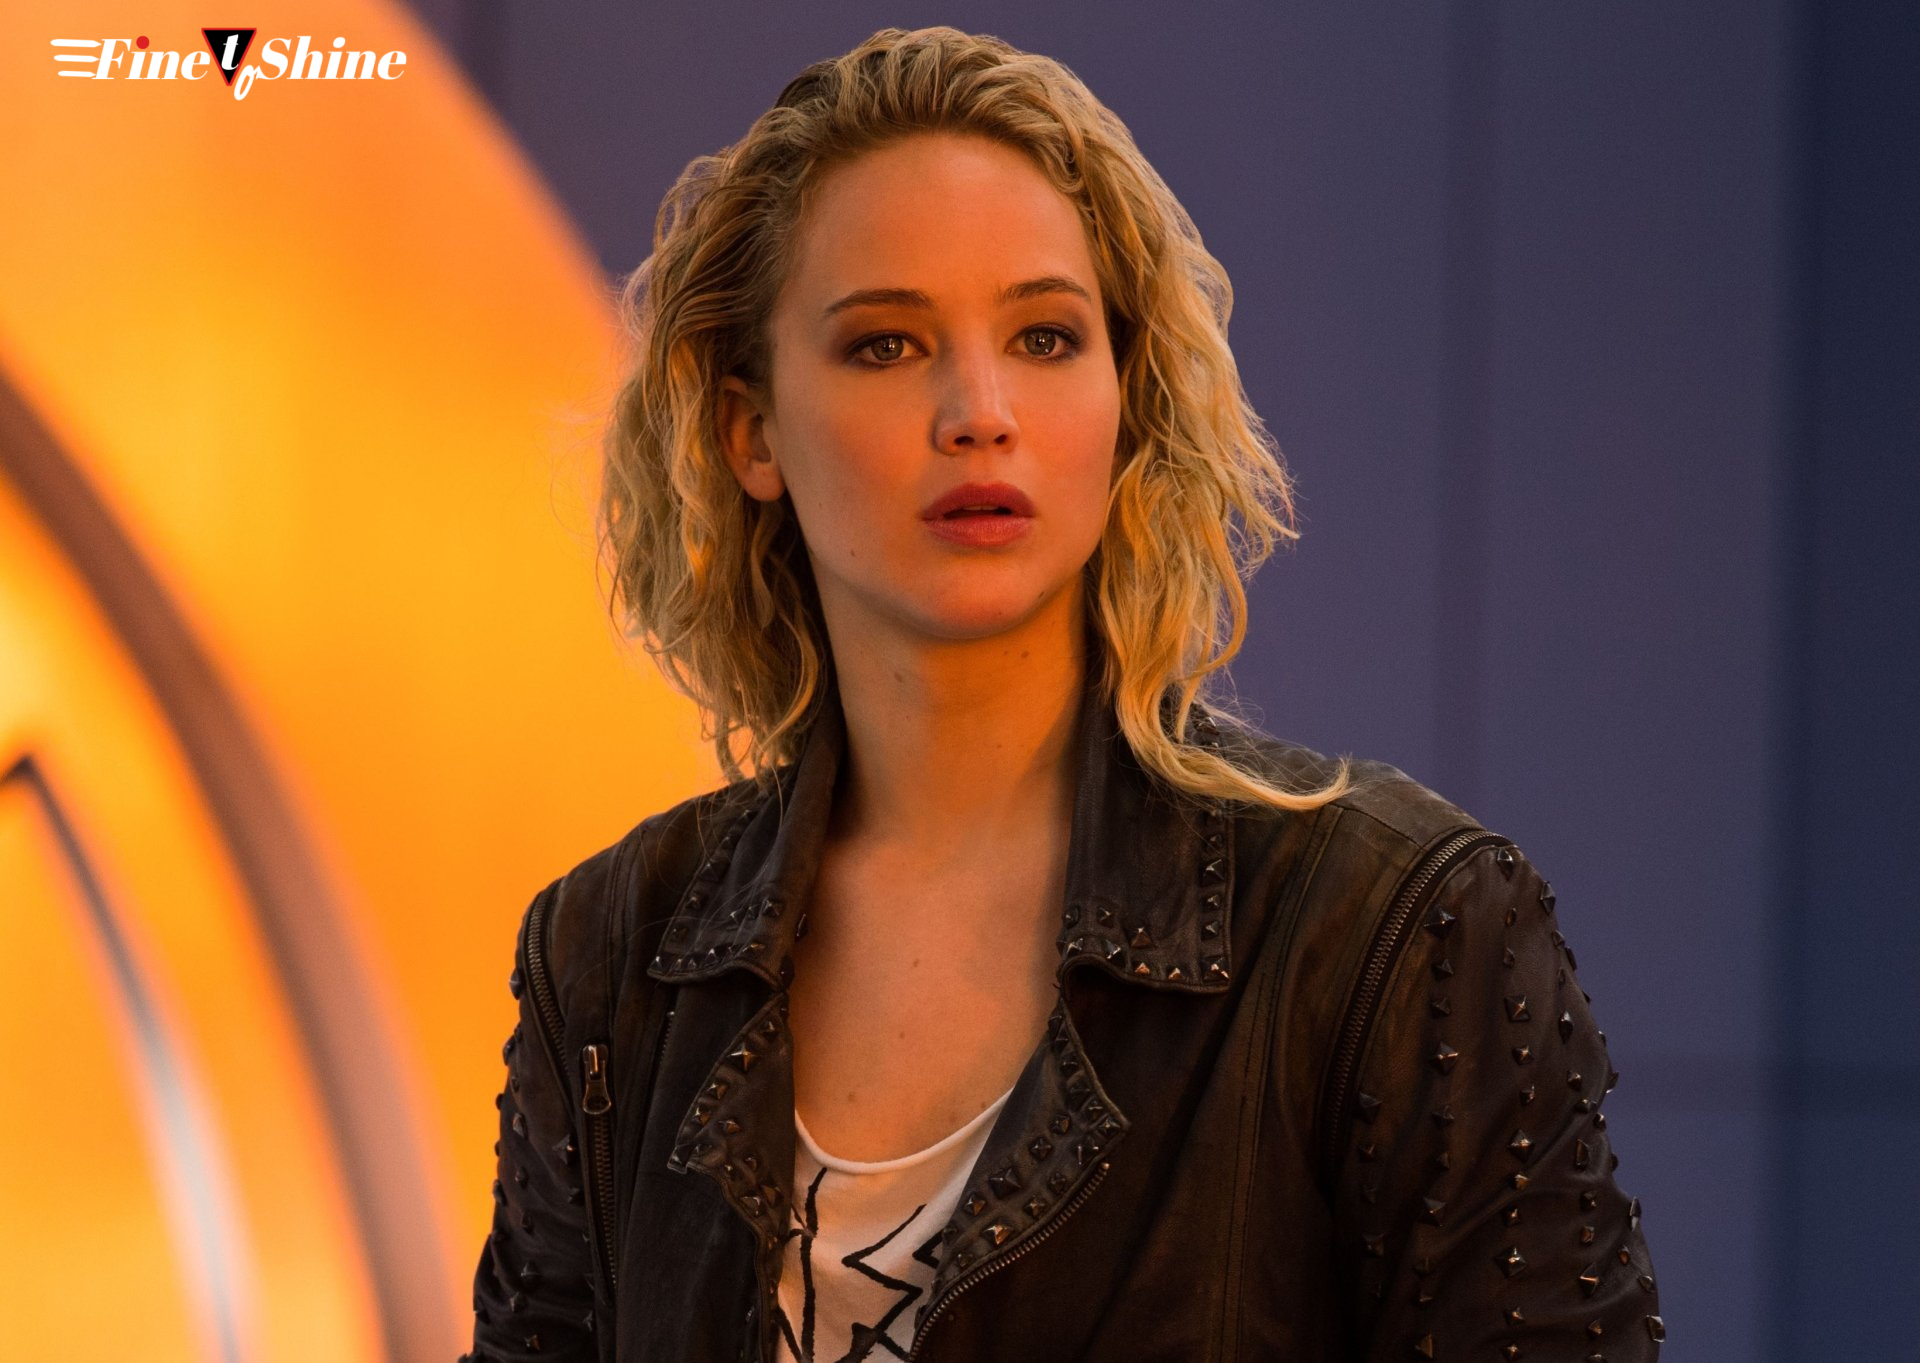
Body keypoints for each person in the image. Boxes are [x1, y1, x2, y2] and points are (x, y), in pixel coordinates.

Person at [464, 25, 1662, 1363]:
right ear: (753, 433)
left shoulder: (1395, 928)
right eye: (885, 345)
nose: (979, 411)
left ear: (1125, 397)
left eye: (1045, 337)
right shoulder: (608, 957)